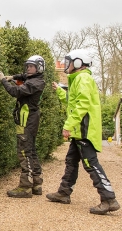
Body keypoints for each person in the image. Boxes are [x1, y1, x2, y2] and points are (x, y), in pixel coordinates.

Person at [47, 49, 119, 215]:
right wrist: (59, 89)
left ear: (78, 63)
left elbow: (82, 105)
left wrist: (68, 125)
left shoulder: (83, 78)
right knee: (71, 161)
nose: (67, 65)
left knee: (91, 164)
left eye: (69, 62)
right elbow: (71, 101)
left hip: (84, 131)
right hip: (79, 132)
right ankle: (64, 193)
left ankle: (109, 199)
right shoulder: (78, 79)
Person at [0, 55, 46, 198]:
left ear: (39, 68)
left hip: (26, 121)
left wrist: (4, 81)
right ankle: (36, 183)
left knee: (24, 153)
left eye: (32, 67)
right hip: (31, 119)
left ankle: (25, 187)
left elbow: (15, 92)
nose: (29, 69)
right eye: (28, 66)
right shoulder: (34, 79)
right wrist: (12, 76)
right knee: (32, 151)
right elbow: (24, 76)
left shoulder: (33, 84)